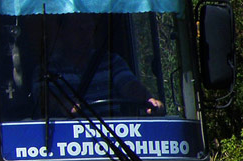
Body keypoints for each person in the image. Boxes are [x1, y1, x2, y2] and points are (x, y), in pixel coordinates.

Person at [33, 13, 163, 117]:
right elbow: (43, 100)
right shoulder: (48, 69)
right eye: (78, 29)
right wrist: (62, 104)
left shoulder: (112, 62)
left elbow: (129, 86)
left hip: (112, 135)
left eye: (89, 28)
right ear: (62, 32)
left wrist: (148, 100)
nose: (85, 34)